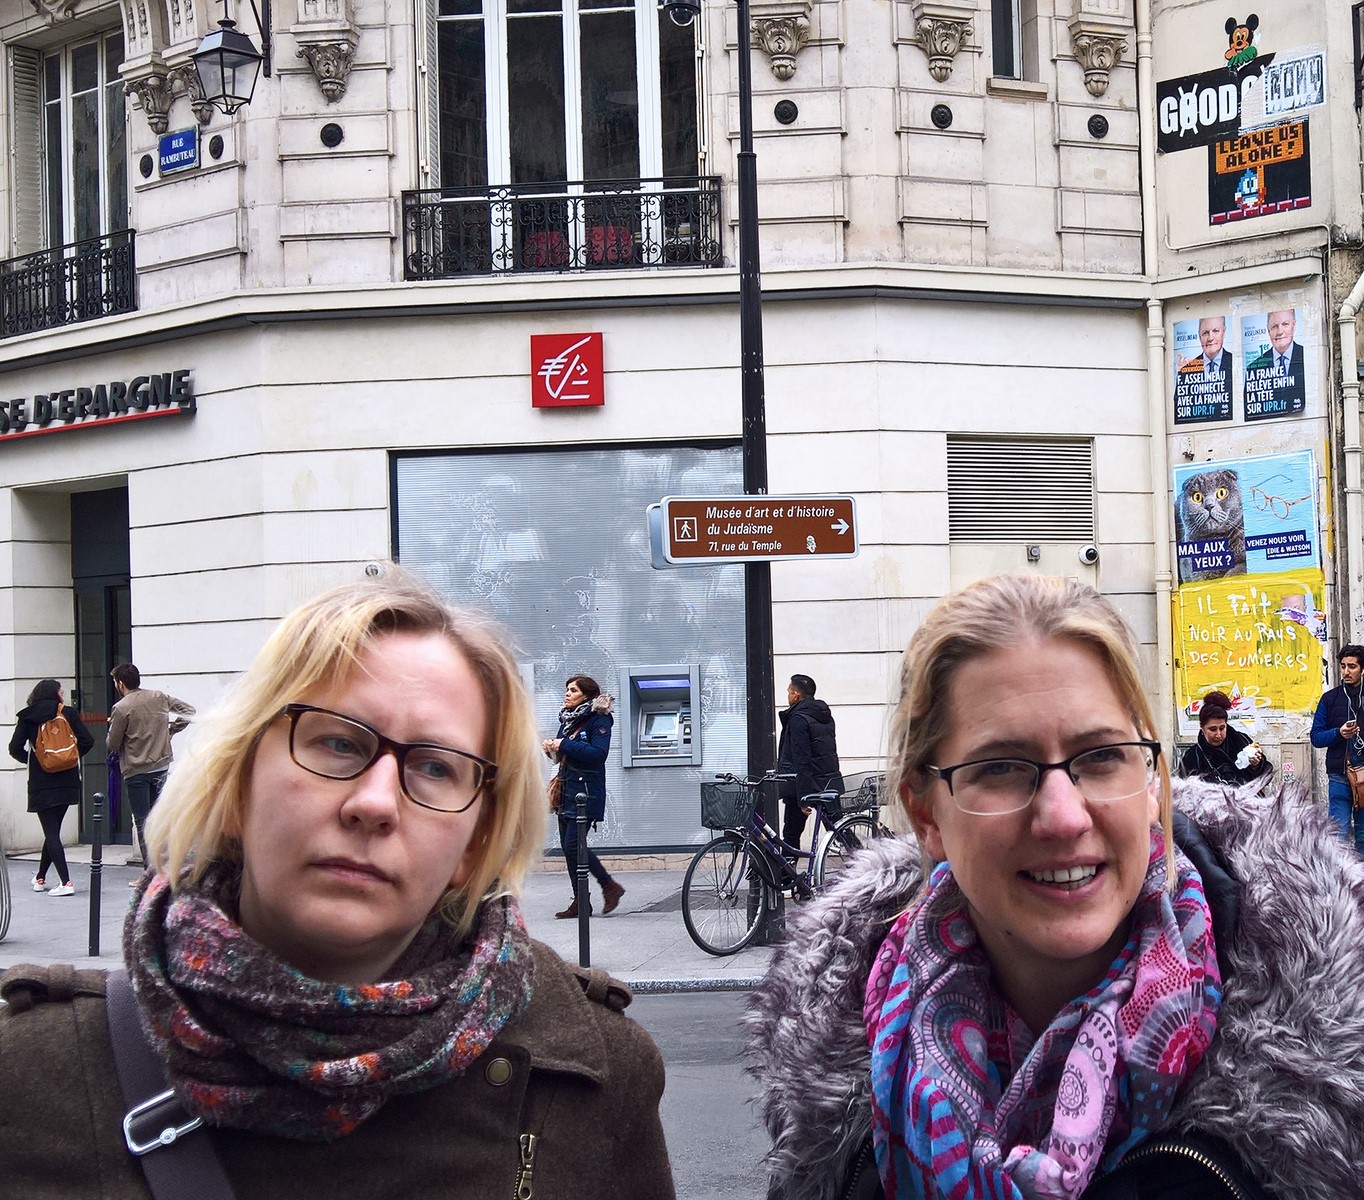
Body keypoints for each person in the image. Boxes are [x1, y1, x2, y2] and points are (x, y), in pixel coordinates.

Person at [0, 572, 673, 1199]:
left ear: (473, 845)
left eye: (435, 767)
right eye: (339, 744)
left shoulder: (594, 1079)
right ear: (237, 782)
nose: (375, 803)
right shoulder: (29, 1074)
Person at [749, 574, 1364, 1200]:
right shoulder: (835, 1114)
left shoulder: (1332, 1092)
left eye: (1101, 757)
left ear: (1150, 780)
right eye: (1001, 767)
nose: (1065, 817)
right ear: (927, 814)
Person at [543, 674, 626, 919]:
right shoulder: (568, 719)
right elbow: (565, 754)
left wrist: (563, 745)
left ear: (587, 695)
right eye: (567, 689)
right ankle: (581, 902)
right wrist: (551, 749)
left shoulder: (599, 719)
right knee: (569, 848)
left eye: (573, 690)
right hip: (565, 791)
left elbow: (598, 754)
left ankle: (609, 885)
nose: (567, 694)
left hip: (586, 793)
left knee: (573, 845)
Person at [8, 679, 94, 897]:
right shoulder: (68, 713)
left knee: (51, 832)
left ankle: (66, 882)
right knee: (52, 831)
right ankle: (40, 877)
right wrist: (68, 758)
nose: (62, 696)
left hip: (41, 782)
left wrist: (36, 760)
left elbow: (14, 748)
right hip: (67, 780)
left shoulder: (28, 716)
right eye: (61, 692)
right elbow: (87, 740)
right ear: (54, 694)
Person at [107, 662, 195, 871]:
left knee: (143, 821)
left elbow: (113, 743)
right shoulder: (158, 697)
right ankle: (166, 866)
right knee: (160, 818)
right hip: (161, 764)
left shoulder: (121, 707)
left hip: (136, 768)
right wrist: (171, 730)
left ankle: (151, 871)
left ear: (121, 683)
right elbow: (189, 710)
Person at [775, 674, 843, 853]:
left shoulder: (798, 719)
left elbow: (801, 759)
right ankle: (862, 864)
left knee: (791, 834)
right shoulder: (823, 715)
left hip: (803, 784)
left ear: (796, 695)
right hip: (827, 781)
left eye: (789, 691)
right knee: (839, 830)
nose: (788, 695)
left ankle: (788, 872)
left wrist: (803, 796)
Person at [1310, 643, 1364, 853]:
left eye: (1352, 666)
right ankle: (1340, 872)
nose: (1346, 672)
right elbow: (1316, 737)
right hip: (1339, 775)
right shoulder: (1330, 698)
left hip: (1363, 775)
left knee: (1362, 834)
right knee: (1338, 835)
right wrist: (1338, 733)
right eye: (1343, 666)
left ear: (1362, 669)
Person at [1179, 690, 1270, 787]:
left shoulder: (1242, 742)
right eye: (1213, 729)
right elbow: (1185, 790)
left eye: (1222, 728)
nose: (1218, 735)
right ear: (1202, 727)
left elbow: (1266, 777)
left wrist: (1256, 765)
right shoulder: (1193, 757)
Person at [1246, 309, 1306, 412]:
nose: (1280, 332)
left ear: (1294, 325)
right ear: (1268, 330)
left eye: (1285, 324)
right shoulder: (1254, 368)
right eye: (1274, 327)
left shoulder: (1306, 355)